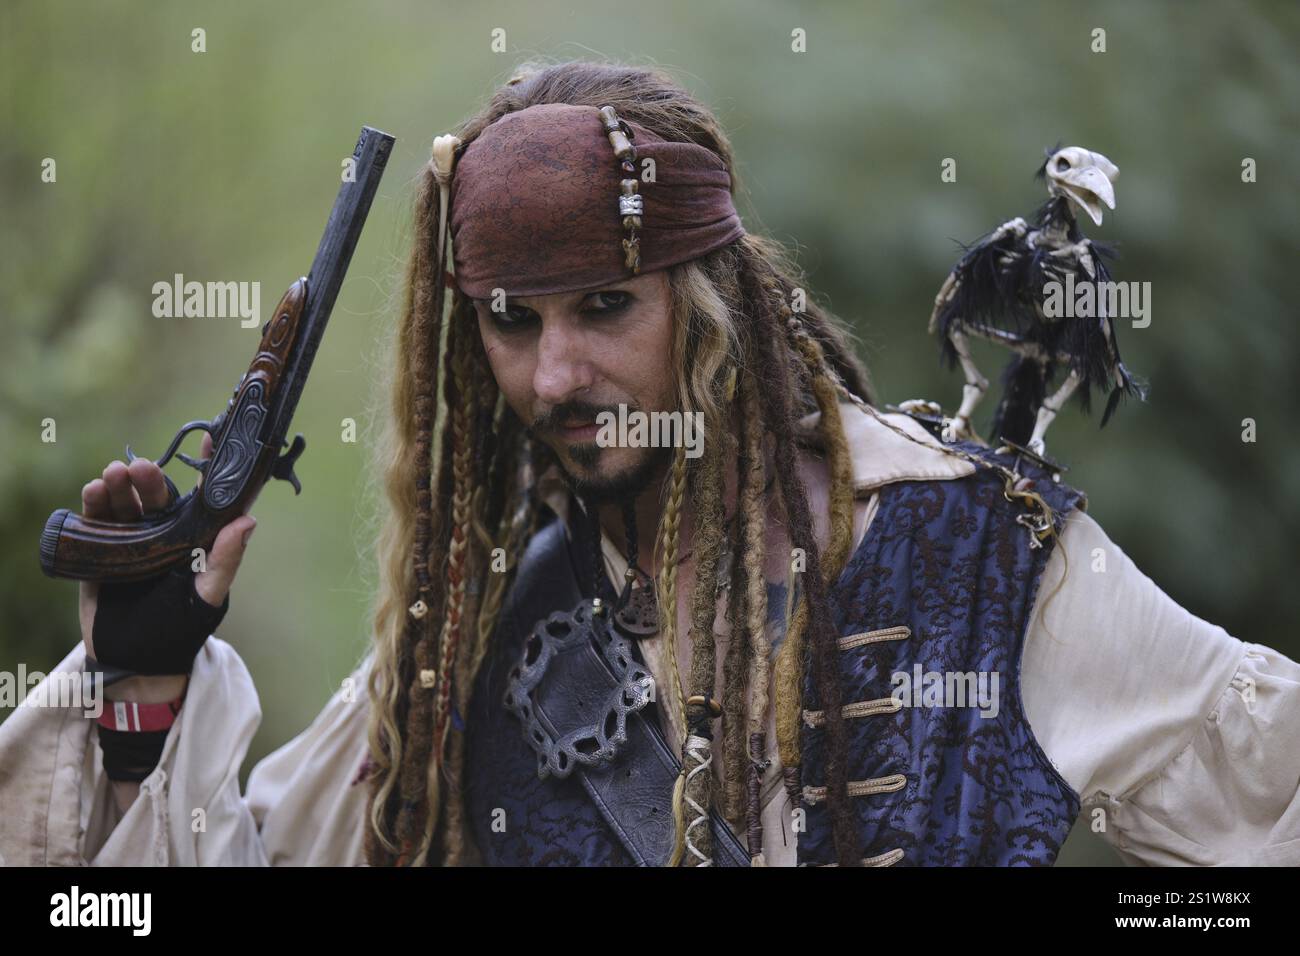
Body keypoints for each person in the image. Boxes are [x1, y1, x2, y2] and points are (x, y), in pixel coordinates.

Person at [2, 60, 1297, 868]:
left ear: (707, 298)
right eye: (513, 319)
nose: (556, 374)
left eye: (604, 309)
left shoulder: (975, 550)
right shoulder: (476, 629)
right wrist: (143, 695)